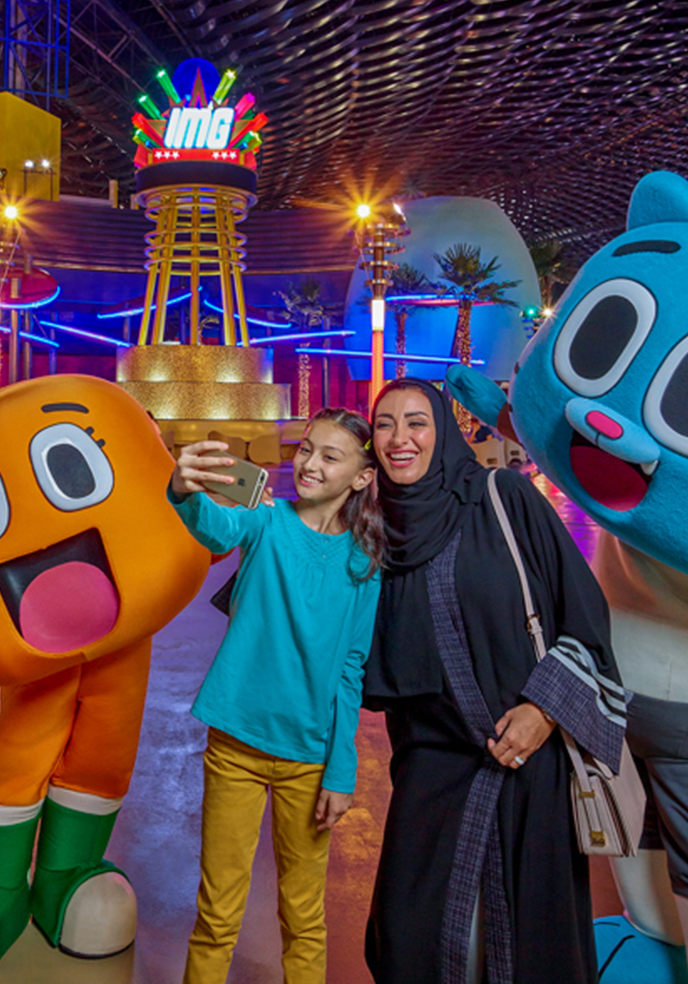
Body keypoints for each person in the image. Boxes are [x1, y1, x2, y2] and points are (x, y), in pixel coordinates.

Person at [362, 378, 627, 984]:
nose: (400, 438)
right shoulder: (373, 528)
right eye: (384, 424)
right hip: (429, 762)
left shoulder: (502, 496)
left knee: (529, 934)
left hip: (525, 757)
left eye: (417, 422)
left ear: (445, 432)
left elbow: (582, 611)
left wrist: (544, 709)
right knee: (410, 931)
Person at [170, 408, 384, 984]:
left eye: (329, 456)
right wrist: (180, 489)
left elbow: (351, 669)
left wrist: (341, 771)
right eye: (306, 448)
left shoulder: (364, 566)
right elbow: (213, 526)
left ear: (362, 477)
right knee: (217, 914)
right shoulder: (265, 522)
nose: (310, 464)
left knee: (304, 915)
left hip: (309, 762)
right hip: (234, 744)